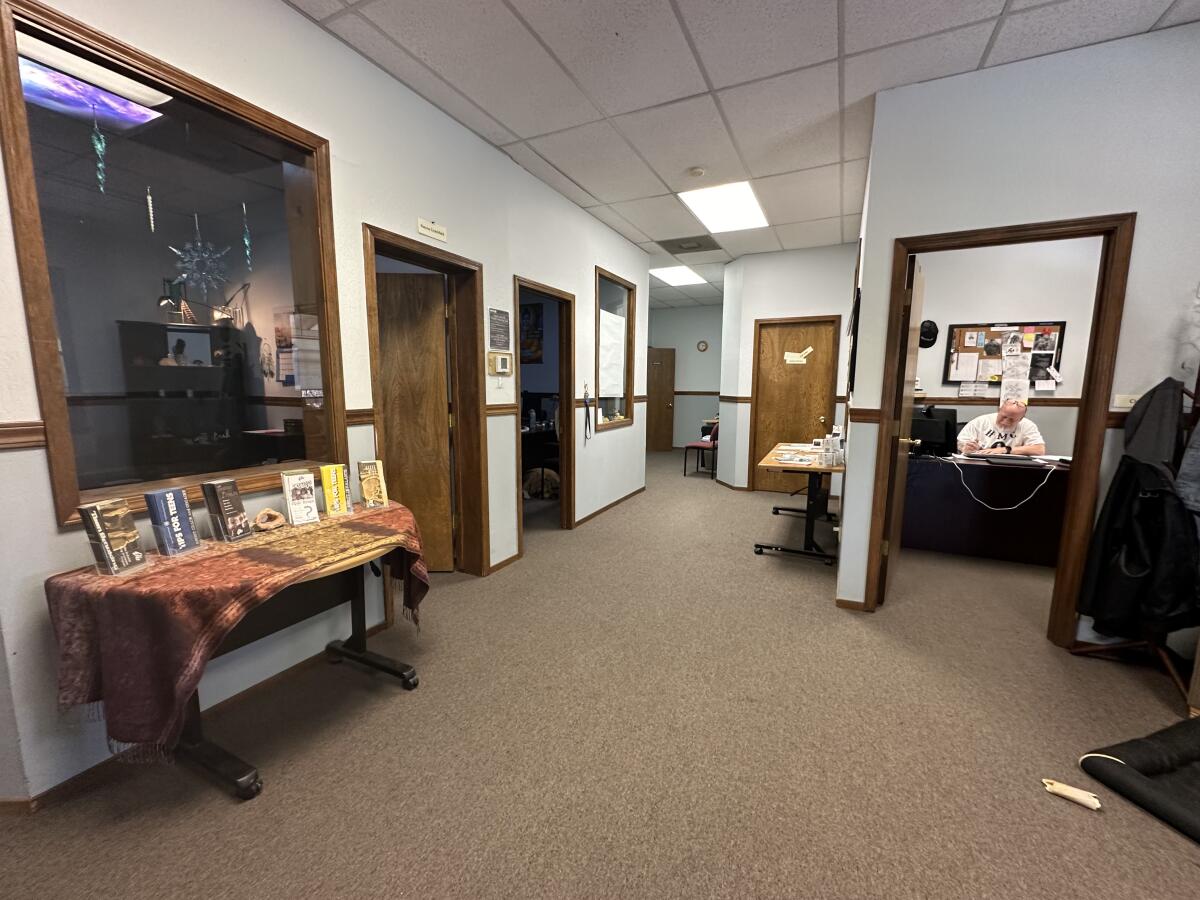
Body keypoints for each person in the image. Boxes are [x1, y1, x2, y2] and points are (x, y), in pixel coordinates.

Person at [957, 399, 1046, 456]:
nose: (1006, 422)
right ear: (999, 410)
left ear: (1021, 419)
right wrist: (966, 448)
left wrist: (1005, 450)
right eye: (1003, 416)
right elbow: (959, 443)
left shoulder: (1027, 425)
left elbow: (1039, 450)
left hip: (1012, 467)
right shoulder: (981, 421)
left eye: (1012, 419)